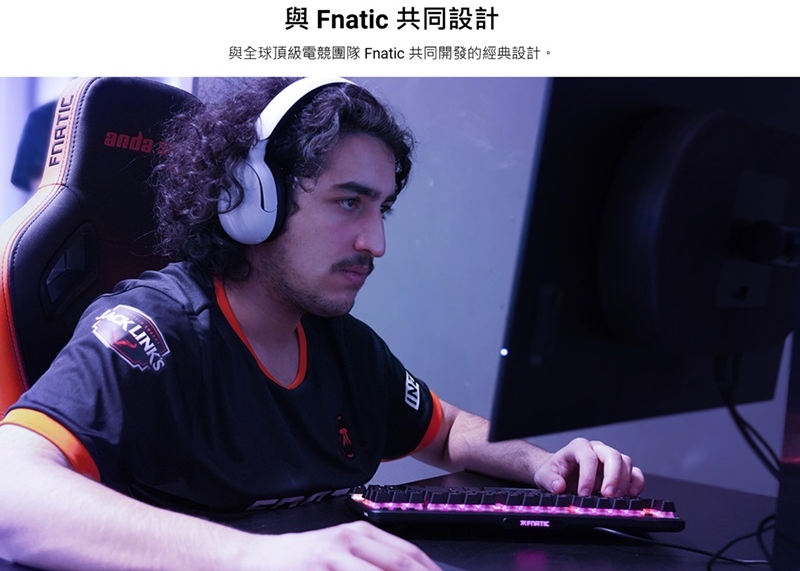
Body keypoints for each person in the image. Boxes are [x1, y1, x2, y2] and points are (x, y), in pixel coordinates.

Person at [0, 77, 645, 570]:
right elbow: (12, 492)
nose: (376, 242)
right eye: (348, 202)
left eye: (382, 209)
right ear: (251, 199)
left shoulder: (342, 346)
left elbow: (448, 432)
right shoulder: (155, 329)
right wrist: (257, 558)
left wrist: (546, 466)